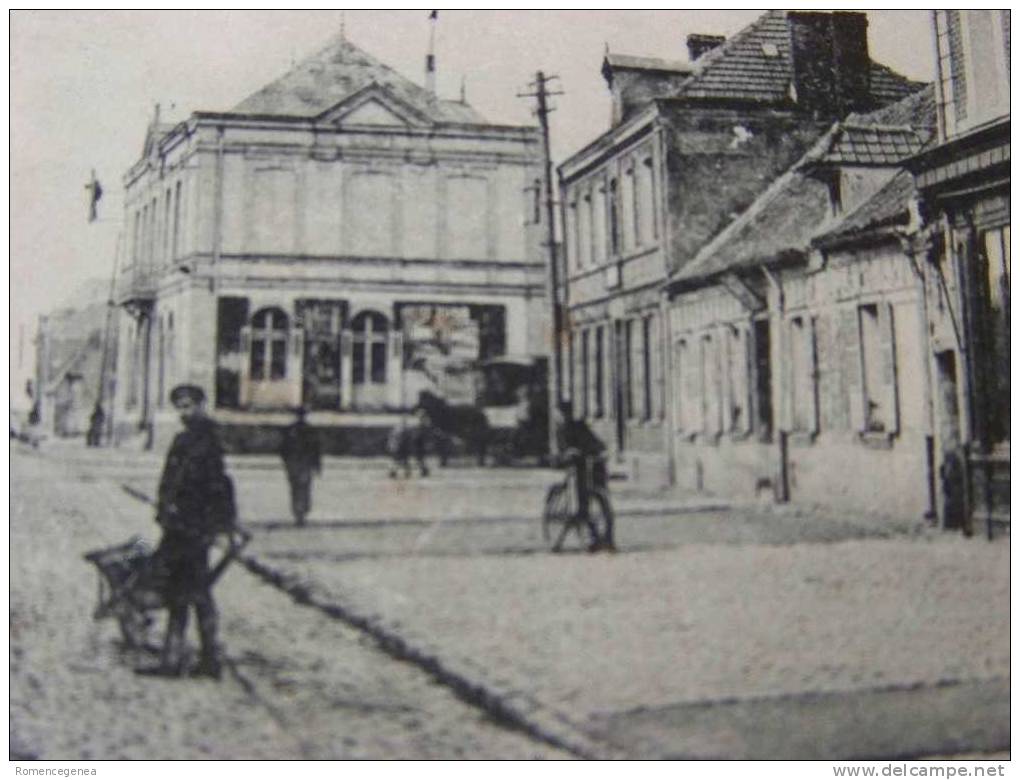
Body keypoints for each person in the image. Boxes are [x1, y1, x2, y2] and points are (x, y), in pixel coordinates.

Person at [138, 383, 235, 679]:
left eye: (189, 405)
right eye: (179, 406)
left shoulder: (207, 441)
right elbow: (170, 480)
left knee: (187, 592)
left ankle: (181, 660)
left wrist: (219, 524)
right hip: (179, 527)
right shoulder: (184, 439)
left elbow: (220, 487)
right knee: (190, 590)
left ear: (202, 405)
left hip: (192, 528)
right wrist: (164, 508)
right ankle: (203, 658)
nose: (184, 411)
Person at [554, 400, 614, 551]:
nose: (564, 416)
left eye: (566, 412)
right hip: (576, 470)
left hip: (592, 468)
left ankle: (607, 539)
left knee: (604, 505)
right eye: (563, 413)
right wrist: (570, 453)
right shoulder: (561, 430)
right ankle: (590, 539)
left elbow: (595, 441)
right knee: (579, 507)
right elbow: (562, 450)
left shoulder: (579, 425)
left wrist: (601, 450)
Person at [279, 406, 322, 526]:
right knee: (303, 488)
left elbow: (283, 449)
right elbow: (316, 450)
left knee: (296, 489)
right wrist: (317, 465)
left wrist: (286, 462)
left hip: (296, 464)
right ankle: (301, 512)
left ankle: (298, 512)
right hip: (303, 464)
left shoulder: (290, 430)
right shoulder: (309, 430)